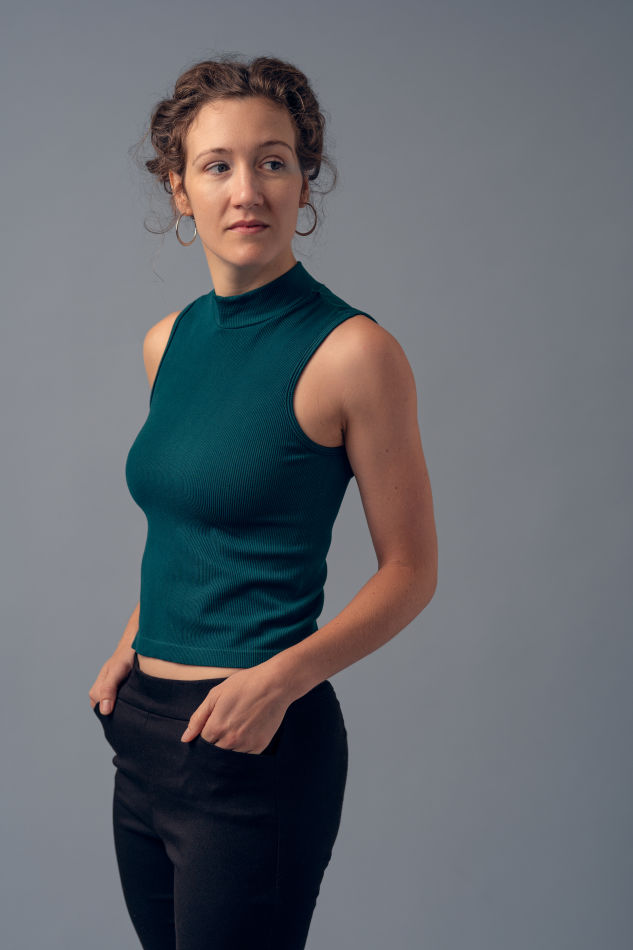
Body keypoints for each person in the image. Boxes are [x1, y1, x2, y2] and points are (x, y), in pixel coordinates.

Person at [89, 54, 438, 950]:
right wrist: (131, 643)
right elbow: (190, 522)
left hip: (255, 742)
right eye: (217, 166)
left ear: (302, 181)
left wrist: (280, 682)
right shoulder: (167, 342)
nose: (247, 190)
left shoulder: (352, 352)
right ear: (179, 190)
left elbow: (410, 571)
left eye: (272, 162)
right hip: (143, 740)